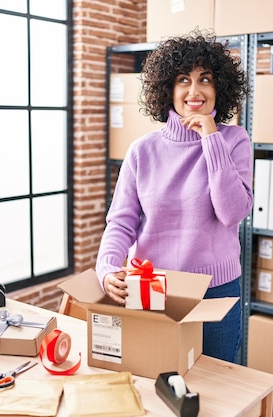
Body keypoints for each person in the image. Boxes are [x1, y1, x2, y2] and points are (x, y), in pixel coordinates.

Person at [95, 29, 253, 363]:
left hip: (216, 291)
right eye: (184, 79)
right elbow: (121, 223)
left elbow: (232, 212)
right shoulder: (142, 151)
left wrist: (211, 138)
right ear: (168, 88)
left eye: (205, 79)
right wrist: (107, 268)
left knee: (219, 391)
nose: (194, 91)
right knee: (157, 380)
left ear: (219, 87)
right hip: (154, 289)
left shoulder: (235, 141)